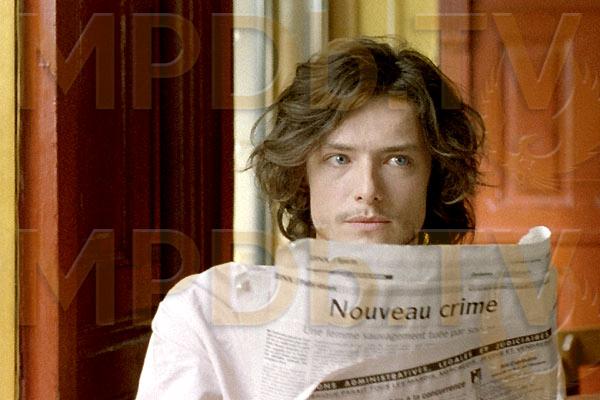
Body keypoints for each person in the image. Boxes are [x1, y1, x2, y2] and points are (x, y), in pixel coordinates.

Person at [136, 37, 485, 399]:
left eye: (398, 160)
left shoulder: (483, 318)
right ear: (302, 173)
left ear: (434, 177)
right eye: (339, 159)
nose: (367, 189)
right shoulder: (204, 313)